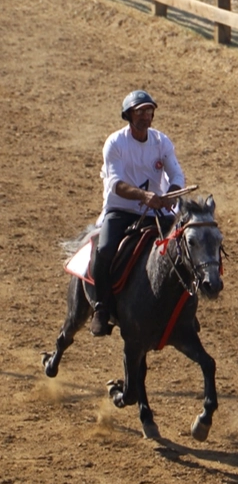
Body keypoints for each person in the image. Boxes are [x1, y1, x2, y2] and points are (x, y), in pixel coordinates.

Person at [89, 90, 185, 337]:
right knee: (105, 249)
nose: (145, 116)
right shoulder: (115, 143)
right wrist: (145, 197)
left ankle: (184, 308)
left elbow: (176, 176)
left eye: (149, 111)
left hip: (155, 210)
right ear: (129, 115)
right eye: (140, 111)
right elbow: (116, 184)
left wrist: (168, 196)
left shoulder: (161, 142)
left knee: (182, 246)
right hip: (121, 210)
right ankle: (101, 307)